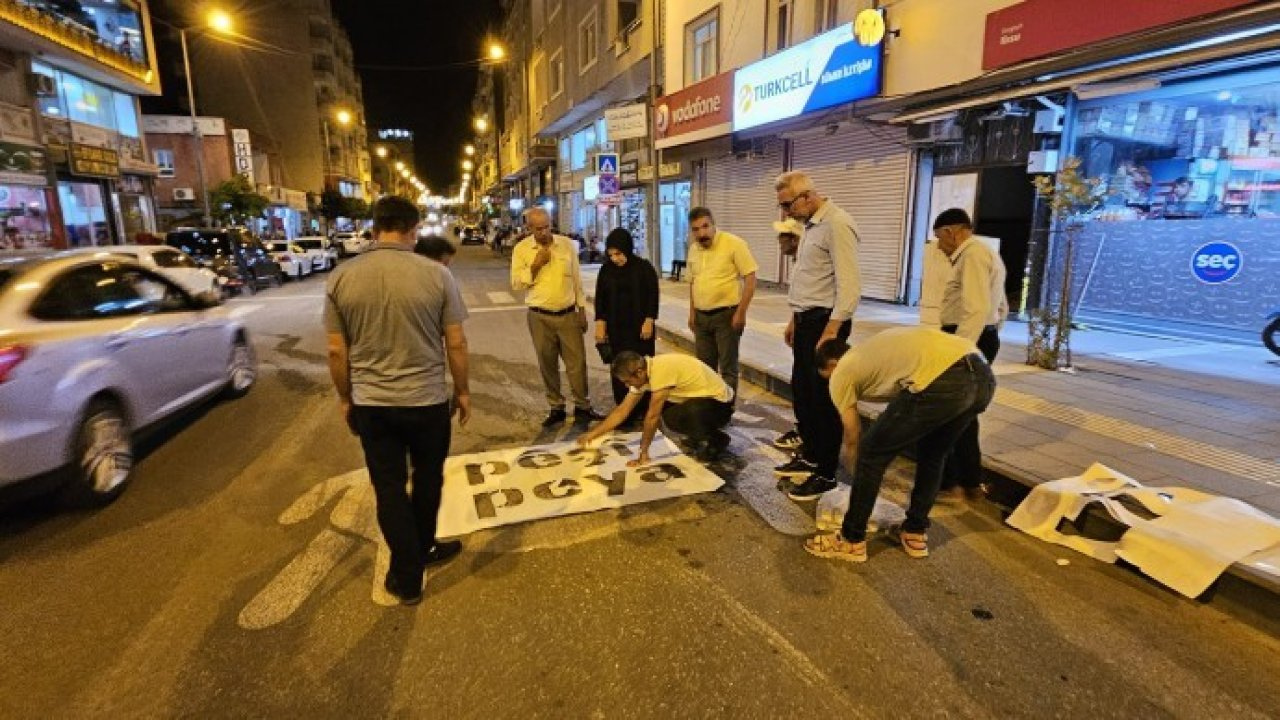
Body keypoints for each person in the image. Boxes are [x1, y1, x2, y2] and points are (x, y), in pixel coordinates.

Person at [324, 196, 471, 606]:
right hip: (426, 401)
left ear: (374, 230)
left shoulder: (341, 278)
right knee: (428, 480)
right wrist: (462, 391)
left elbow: (337, 351)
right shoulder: (437, 276)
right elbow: (456, 343)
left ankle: (408, 572)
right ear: (413, 230)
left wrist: (345, 397)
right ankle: (417, 557)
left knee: (388, 487)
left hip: (373, 404)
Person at [803, 328, 995, 563]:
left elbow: (852, 436)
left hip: (943, 378)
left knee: (871, 453)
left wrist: (857, 473)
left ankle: (851, 540)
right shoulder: (873, 352)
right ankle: (914, 532)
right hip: (983, 376)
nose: (830, 385)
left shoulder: (842, 371)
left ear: (832, 365)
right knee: (934, 454)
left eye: (826, 378)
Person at [772, 170, 862, 501]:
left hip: (827, 323)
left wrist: (832, 331)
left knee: (825, 400)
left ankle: (826, 472)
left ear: (807, 196)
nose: (785, 213)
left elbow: (849, 285)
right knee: (804, 394)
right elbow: (809, 279)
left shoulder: (838, 224)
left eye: (787, 205)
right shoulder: (811, 226)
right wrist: (795, 319)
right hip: (807, 321)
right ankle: (811, 454)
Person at [932, 209, 1008, 503]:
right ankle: (967, 481)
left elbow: (975, 309)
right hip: (980, 338)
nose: (939, 246)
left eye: (939, 238)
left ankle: (957, 482)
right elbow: (999, 307)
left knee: (953, 413)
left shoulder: (973, 254)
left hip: (967, 340)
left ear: (952, 231)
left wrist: (959, 351)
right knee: (962, 413)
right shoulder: (985, 252)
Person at [511, 206, 603, 426]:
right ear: (529, 228)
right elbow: (516, 283)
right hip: (539, 316)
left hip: (568, 314)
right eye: (538, 229)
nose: (544, 232)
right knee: (547, 363)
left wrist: (582, 310)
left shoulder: (566, 245)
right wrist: (535, 265)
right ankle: (556, 407)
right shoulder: (522, 249)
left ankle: (583, 405)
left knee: (577, 363)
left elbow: (577, 279)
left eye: (547, 227)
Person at [579, 351, 734, 464]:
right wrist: (593, 434)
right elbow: (622, 411)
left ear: (639, 372)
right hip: (702, 400)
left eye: (627, 381)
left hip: (720, 404)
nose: (627, 386)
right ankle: (700, 433)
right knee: (672, 416)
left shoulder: (661, 371)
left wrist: (643, 453)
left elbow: (652, 417)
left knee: (677, 416)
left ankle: (716, 439)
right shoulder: (645, 372)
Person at [686, 207, 758, 398]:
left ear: (713, 224)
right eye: (696, 229)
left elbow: (750, 278)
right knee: (704, 368)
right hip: (701, 318)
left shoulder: (734, 244)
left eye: (705, 226)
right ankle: (709, 407)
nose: (702, 233)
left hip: (726, 316)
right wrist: (692, 314)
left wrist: (741, 313)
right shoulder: (693, 249)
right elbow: (693, 282)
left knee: (728, 367)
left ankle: (726, 408)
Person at [594, 228, 659, 426]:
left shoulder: (643, 268)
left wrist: (649, 320)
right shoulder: (606, 270)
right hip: (616, 329)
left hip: (640, 330)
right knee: (620, 368)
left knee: (642, 367)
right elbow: (601, 300)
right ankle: (624, 408)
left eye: (619, 254)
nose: (615, 259)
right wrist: (600, 324)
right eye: (611, 254)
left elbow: (652, 296)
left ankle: (644, 407)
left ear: (627, 250)